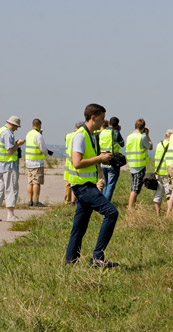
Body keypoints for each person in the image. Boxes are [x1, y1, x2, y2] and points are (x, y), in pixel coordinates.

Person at [65, 104, 120, 268]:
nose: (104, 122)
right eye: (102, 118)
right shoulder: (81, 136)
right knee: (111, 213)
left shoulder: (89, 135)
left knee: (79, 227)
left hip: (85, 185)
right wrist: (100, 159)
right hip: (83, 187)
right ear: (93, 117)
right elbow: (77, 162)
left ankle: (71, 261)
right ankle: (97, 257)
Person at [0, 116, 25, 222]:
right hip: (9, 165)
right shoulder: (7, 133)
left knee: (0, 188)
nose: (17, 128)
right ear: (13, 124)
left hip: (0, 165)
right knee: (11, 188)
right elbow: (10, 150)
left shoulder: (0, 130)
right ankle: (10, 214)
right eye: (16, 126)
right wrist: (18, 144)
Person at [126, 118, 153, 209]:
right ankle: (130, 207)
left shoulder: (129, 136)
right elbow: (150, 146)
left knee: (133, 186)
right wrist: (147, 135)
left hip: (132, 164)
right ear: (143, 127)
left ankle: (131, 206)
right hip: (139, 165)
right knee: (136, 188)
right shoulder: (142, 137)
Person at [99, 117, 125, 201]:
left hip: (103, 160)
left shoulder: (101, 133)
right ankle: (105, 204)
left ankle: (103, 201)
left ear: (109, 123)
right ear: (117, 125)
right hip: (113, 161)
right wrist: (118, 131)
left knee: (106, 184)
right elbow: (122, 144)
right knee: (110, 185)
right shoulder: (116, 132)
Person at [25, 118, 49, 207]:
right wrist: (46, 153)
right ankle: (36, 201)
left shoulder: (28, 134)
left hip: (29, 161)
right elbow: (42, 148)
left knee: (30, 181)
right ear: (39, 125)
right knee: (36, 182)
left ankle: (29, 200)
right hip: (37, 162)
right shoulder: (38, 135)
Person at [153, 129, 173, 215]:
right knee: (169, 194)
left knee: (158, 194)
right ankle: (168, 213)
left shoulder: (159, 144)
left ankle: (158, 213)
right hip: (167, 172)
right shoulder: (171, 145)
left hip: (158, 172)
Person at [64, 122, 84, 205]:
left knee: (68, 183)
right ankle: (74, 201)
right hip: (75, 161)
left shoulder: (68, 135)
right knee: (76, 183)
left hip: (68, 162)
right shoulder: (80, 136)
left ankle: (67, 200)